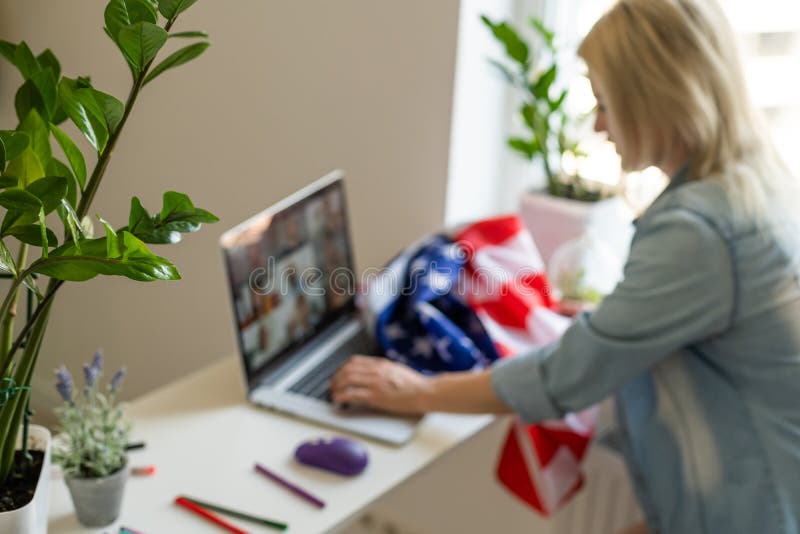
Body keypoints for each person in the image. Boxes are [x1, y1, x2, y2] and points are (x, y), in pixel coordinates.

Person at [331, 1, 800, 533]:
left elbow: (567, 376)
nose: (598, 126)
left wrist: (415, 391)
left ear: (655, 96)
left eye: (605, 103)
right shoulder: (753, 182)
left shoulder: (700, 231)